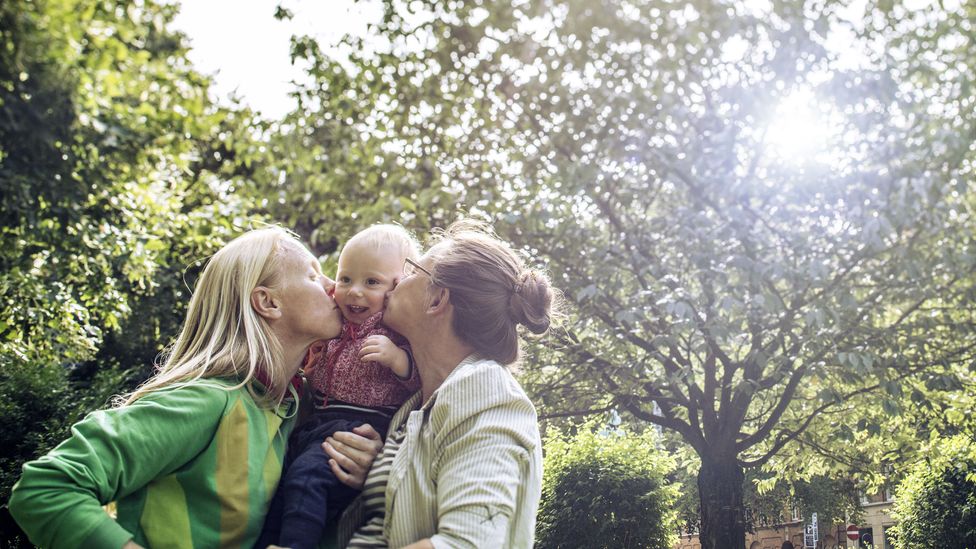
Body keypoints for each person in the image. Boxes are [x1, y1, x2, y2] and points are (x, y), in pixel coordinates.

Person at [7, 227, 381, 549]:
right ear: (268, 302)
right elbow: (46, 487)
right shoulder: (207, 401)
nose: (335, 287)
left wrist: (359, 469)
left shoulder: (287, 411)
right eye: (314, 277)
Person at [342, 219, 556, 548]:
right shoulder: (415, 405)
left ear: (437, 299)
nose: (396, 282)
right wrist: (376, 474)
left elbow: (465, 544)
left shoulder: (487, 390)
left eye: (411, 271)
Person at [257, 225, 422, 549]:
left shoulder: (395, 331)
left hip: (356, 428)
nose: (354, 291)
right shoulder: (334, 326)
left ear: (397, 288)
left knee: (308, 481)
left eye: (371, 282)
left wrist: (399, 360)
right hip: (316, 426)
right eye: (345, 279)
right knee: (282, 488)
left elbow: (418, 382)